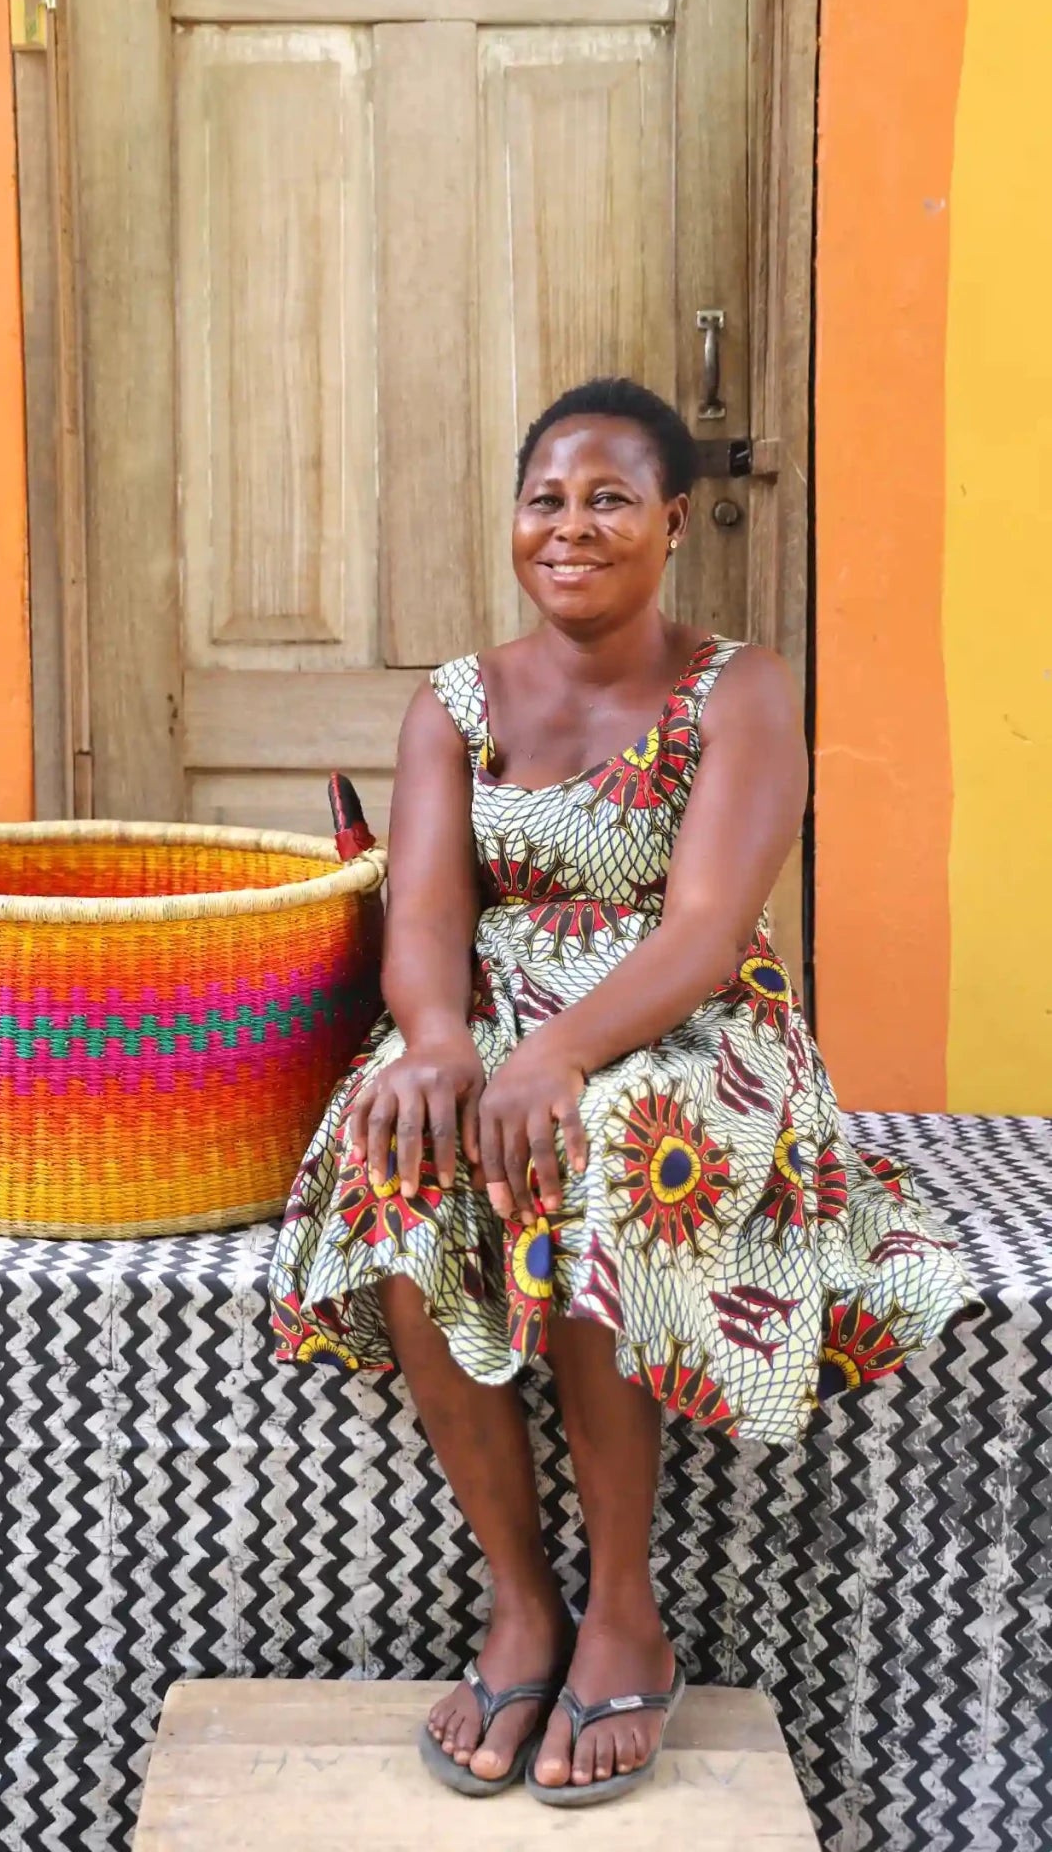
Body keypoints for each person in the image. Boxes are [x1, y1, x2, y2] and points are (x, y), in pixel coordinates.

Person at [269, 377, 973, 1808]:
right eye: (545, 500)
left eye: (606, 501)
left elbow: (706, 930)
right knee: (402, 1139)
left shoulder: (739, 688)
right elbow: (422, 913)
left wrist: (552, 1056)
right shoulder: (454, 704)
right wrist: (438, 1038)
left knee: (596, 1145)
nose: (570, 528)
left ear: (666, 522)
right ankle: (520, 1598)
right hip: (493, 1019)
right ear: (513, 522)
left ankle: (623, 1610)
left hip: (683, 1028)